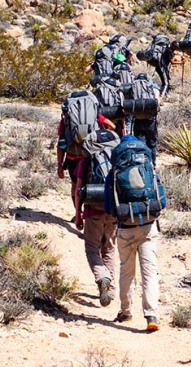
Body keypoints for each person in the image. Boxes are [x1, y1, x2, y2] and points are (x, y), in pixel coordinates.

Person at [104, 134, 162, 331]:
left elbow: (108, 205)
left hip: (125, 228)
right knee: (150, 271)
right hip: (148, 225)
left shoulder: (115, 171)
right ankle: (151, 314)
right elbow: (162, 200)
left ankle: (126, 312)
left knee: (126, 271)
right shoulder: (149, 167)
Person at [73, 139, 117, 308]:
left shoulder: (86, 160)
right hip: (113, 211)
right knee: (109, 249)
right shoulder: (116, 157)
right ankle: (110, 289)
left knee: (92, 248)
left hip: (93, 211)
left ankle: (101, 277)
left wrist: (78, 214)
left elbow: (79, 189)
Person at [57, 114, 115, 221]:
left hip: (72, 157)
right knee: (93, 183)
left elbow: (61, 142)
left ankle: (78, 213)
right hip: (90, 155)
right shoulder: (93, 115)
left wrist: (60, 164)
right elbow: (112, 126)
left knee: (76, 186)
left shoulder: (66, 119)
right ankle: (92, 212)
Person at [130, 74, 162, 164]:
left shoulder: (133, 87)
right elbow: (158, 102)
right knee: (152, 144)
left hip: (137, 120)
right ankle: (153, 164)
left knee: (140, 144)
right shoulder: (153, 87)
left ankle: (142, 165)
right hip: (151, 120)